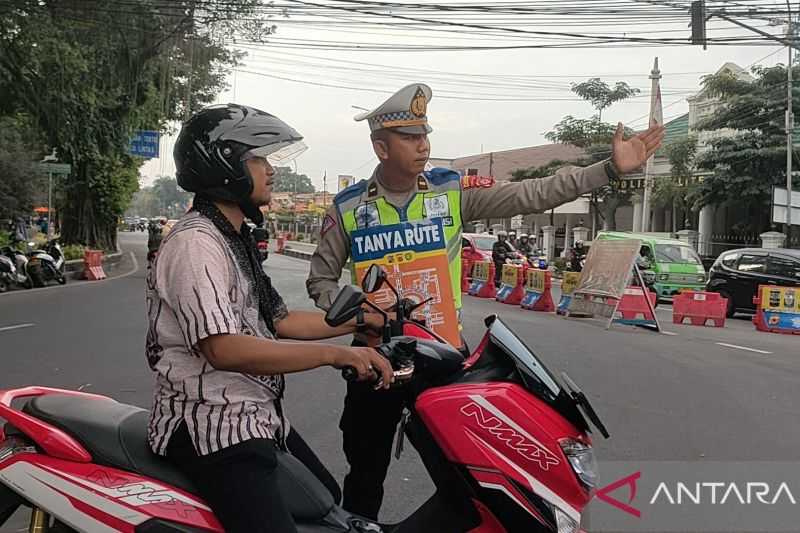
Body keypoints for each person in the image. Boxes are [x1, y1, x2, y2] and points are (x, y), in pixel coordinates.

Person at [306, 83, 664, 519]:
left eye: (425, 135)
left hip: (440, 357)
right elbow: (321, 281)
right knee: (365, 475)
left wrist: (608, 169)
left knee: (464, 473)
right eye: (410, 138)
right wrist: (360, 310)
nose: (424, 145)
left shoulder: (449, 191)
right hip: (374, 361)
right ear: (381, 148)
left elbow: (531, 193)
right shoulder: (346, 208)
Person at [145, 103, 394, 533]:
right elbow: (221, 347)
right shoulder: (196, 244)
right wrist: (334, 356)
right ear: (224, 166)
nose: (270, 170)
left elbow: (279, 320)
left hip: (254, 415)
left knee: (325, 499)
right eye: (257, 159)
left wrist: (359, 322)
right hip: (212, 426)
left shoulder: (234, 237)